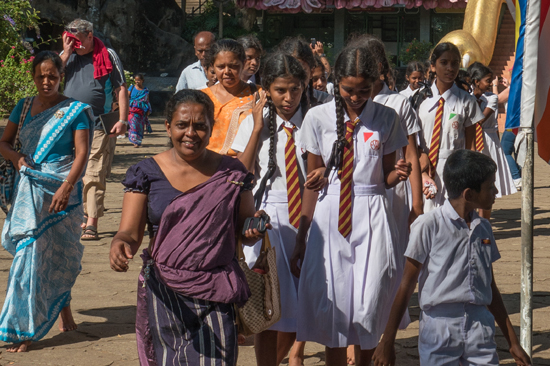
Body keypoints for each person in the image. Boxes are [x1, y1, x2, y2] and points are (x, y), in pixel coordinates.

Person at [109, 89, 269, 366]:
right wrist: (119, 244)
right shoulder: (146, 173)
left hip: (216, 290)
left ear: (211, 128)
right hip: (165, 293)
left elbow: (244, 226)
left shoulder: (231, 174)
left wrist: (253, 228)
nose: (190, 133)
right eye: (182, 125)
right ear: (168, 126)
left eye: (200, 126)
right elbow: (130, 233)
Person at [290, 45, 411, 366]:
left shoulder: (386, 118)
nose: (355, 97)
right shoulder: (317, 118)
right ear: (335, 82)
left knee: (370, 302)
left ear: (375, 84)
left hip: (372, 216)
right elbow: (312, 185)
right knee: (333, 304)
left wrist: (396, 175)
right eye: (348, 89)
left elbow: (384, 178)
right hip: (329, 218)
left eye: (364, 90)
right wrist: (301, 237)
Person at [372, 150, 532, 366]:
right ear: (469, 194)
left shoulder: (483, 228)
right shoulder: (428, 225)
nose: (495, 190)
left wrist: (512, 340)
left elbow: (490, 285)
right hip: (440, 328)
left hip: (479, 327)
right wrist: (387, 341)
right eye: (490, 186)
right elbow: (407, 284)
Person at [232, 53, 323, 366]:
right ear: (266, 88)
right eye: (280, 90)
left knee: (304, 306)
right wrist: (257, 130)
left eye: (295, 89)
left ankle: (286, 356)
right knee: (271, 304)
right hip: (270, 221)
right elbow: (239, 175)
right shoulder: (252, 124)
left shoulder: (317, 120)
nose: (288, 97)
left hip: (313, 217)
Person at [0, 51, 94, 352]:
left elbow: (82, 154)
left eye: (52, 76)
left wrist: (67, 187)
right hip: (29, 189)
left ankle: (61, 309)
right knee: (30, 257)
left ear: (60, 77)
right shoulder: (24, 106)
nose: (46, 81)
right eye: (40, 76)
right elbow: (3, 142)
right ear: (33, 77)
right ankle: (22, 329)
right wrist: (18, 160)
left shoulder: (75, 111)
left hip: (61, 192)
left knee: (61, 254)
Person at [60, 18, 129, 240]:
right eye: (72, 40)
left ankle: (92, 222)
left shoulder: (106, 54)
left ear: (90, 35)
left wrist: (123, 119)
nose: (75, 44)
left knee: (94, 171)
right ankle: (77, 215)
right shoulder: (68, 57)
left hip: (99, 122)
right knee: (71, 171)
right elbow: (51, 76)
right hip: (69, 122)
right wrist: (66, 52)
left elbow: (121, 88)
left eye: (79, 40)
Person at [417, 42, 484, 213]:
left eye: (455, 63)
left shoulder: (466, 101)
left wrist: (470, 178)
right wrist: (421, 170)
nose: (450, 68)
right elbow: (411, 142)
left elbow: (471, 146)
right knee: (426, 220)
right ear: (433, 66)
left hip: (455, 169)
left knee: (454, 219)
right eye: (444, 62)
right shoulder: (420, 100)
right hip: (424, 170)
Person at [468, 62, 517, 219]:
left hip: (488, 141)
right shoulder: (466, 98)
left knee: (486, 184)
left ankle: (485, 222)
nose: (491, 84)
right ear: (476, 81)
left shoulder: (491, 99)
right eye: (488, 80)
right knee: (470, 182)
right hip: (471, 140)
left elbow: (479, 120)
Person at [201, 39, 258, 155]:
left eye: (233, 66)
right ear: (212, 66)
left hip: (245, 166)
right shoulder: (202, 98)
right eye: (221, 67)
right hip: (206, 167)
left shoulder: (258, 95)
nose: (227, 71)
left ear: (243, 63)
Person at [279, 37, 333, 107]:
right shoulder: (267, 105)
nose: (295, 76)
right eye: (290, 69)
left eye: (301, 70)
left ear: (311, 72)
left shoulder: (327, 102)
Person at [127, 73, 152, 148]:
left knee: (140, 127)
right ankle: (135, 141)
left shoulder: (145, 90)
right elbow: (126, 98)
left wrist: (148, 110)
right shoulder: (131, 88)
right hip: (132, 111)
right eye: (136, 80)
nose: (137, 82)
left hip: (141, 112)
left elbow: (147, 101)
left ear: (142, 81)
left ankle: (138, 140)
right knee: (133, 126)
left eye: (139, 80)